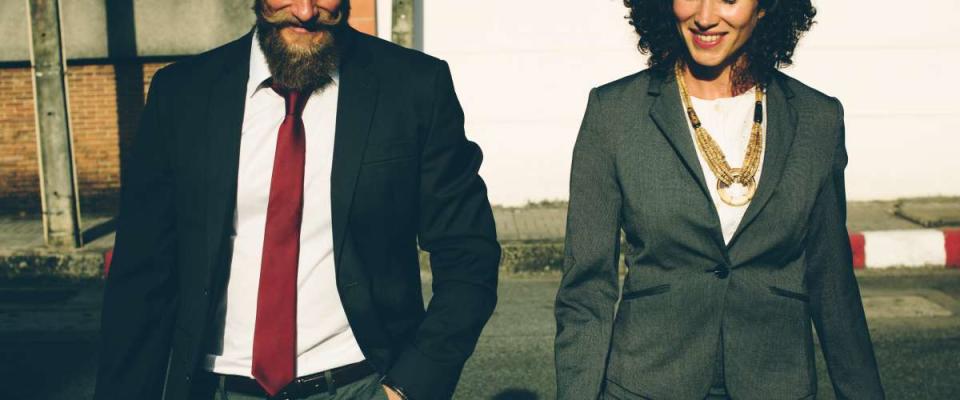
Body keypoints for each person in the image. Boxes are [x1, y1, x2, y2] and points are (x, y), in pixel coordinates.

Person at [94, 1, 500, 399]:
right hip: (215, 385)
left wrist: (411, 386)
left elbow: (468, 251)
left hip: (360, 383)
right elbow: (141, 273)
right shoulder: (182, 93)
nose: (306, 11)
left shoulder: (413, 86)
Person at [554, 0, 884, 399]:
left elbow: (833, 283)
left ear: (766, 8)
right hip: (647, 383)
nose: (706, 17)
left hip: (776, 384)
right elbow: (586, 290)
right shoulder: (615, 113)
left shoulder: (818, 119)